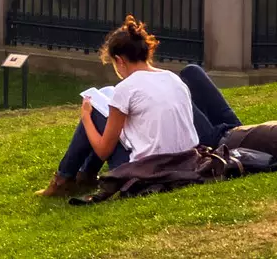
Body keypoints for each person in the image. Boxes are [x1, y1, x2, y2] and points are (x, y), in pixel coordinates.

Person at [38, 16, 201, 197]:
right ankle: (83, 176)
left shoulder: (127, 88)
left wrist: (85, 117)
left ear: (119, 60)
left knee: (94, 112)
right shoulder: (172, 78)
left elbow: (103, 150)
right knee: (106, 117)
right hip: (186, 162)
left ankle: (63, 180)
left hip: (147, 170)